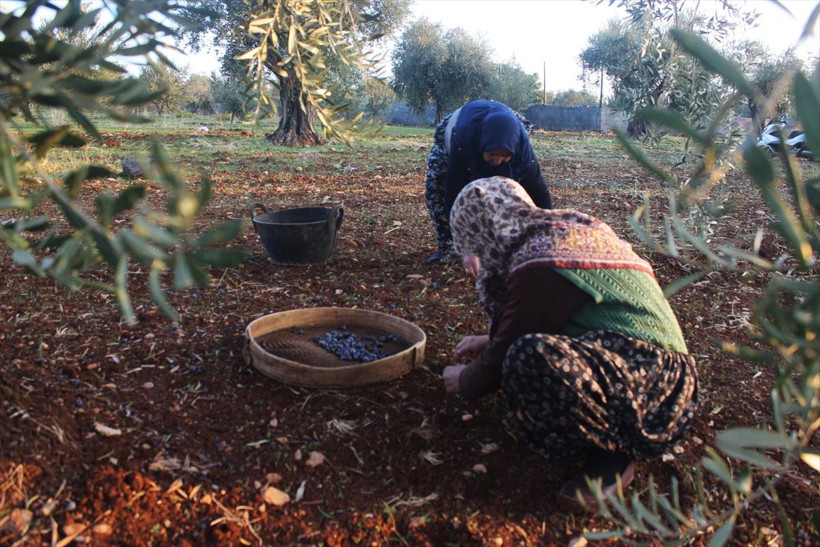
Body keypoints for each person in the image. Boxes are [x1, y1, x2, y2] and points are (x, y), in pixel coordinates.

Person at [442, 177, 698, 512]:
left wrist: (463, 379)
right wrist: (489, 339)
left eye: (473, 243)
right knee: (526, 352)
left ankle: (613, 454)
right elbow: (564, 314)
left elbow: (508, 349)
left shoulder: (540, 261)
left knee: (529, 356)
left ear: (487, 229)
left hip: (653, 386)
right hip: (652, 369)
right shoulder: (561, 235)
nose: (476, 256)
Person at [424, 100, 553, 264]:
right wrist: (466, 247)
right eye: (492, 154)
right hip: (458, 125)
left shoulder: (522, 152)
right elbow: (453, 194)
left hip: (505, 119)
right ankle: (449, 247)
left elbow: (540, 195)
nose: (497, 161)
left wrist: (547, 237)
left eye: (504, 156)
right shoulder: (462, 144)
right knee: (436, 189)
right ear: (483, 147)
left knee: (507, 190)